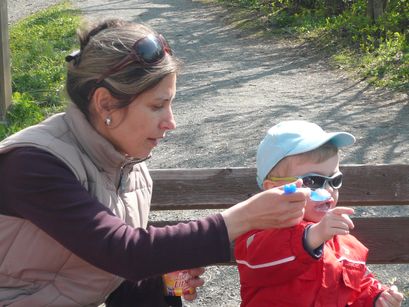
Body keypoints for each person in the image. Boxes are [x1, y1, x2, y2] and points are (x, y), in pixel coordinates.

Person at [0, 19, 310, 306]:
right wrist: (241, 218)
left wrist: (161, 281)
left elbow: (110, 272)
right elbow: (125, 252)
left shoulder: (128, 166)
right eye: (157, 105)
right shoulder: (32, 165)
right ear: (105, 102)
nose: (171, 122)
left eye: (170, 103)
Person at [234, 120, 405, 307]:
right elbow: (257, 262)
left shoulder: (344, 244)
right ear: (275, 188)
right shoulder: (257, 233)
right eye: (313, 181)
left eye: (334, 180)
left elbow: (359, 288)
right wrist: (311, 236)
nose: (328, 190)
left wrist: (376, 297)